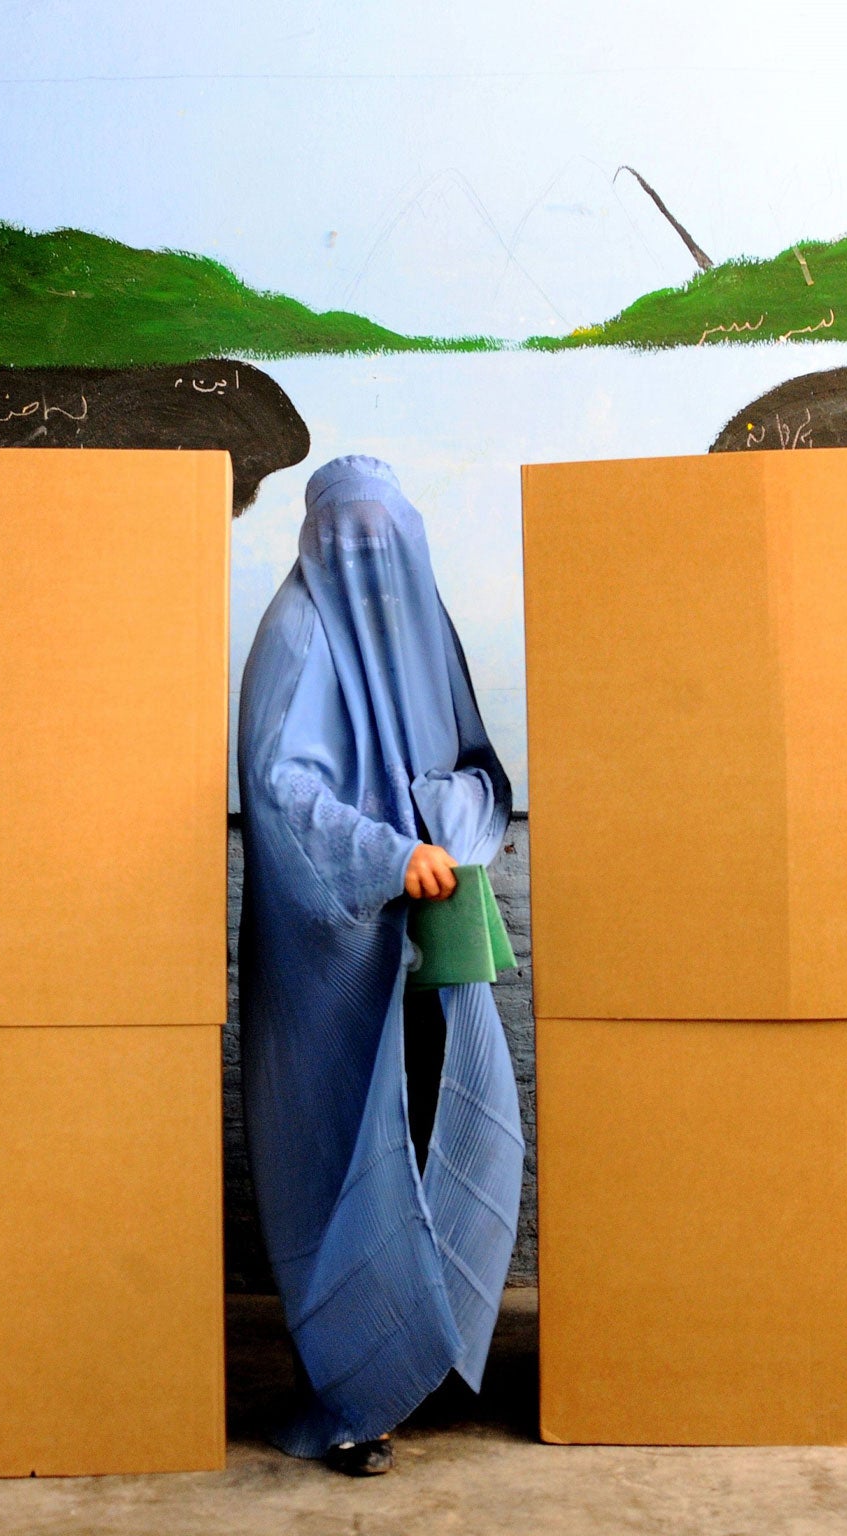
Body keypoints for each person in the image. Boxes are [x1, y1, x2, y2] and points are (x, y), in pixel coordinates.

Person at [237, 455, 523, 1476]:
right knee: (338, 1154)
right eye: (350, 536)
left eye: (386, 535)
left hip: (427, 938)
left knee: (432, 1129)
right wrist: (389, 853)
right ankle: (348, 1394)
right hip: (333, 955)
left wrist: (460, 823)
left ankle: (407, 1355)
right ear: (315, 542)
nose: (371, 557)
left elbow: (482, 768)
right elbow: (279, 791)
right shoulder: (294, 633)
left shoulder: (422, 622)